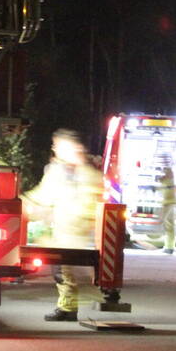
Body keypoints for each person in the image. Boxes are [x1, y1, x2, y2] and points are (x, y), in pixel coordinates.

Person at [21, 129, 103, 322]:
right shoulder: (59, 171)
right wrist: (22, 202)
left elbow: (88, 205)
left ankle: (69, 307)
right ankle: (67, 307)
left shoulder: (86, 175)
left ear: (74, 147)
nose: (55, 149)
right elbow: (42, 194)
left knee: (65, 272)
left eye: (58, 145)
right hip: (64, 232)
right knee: (62, 271)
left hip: (75, 234)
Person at [158, 166, 176, 255]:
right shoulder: (169, 181)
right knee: (169, 226)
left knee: (168, 225)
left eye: (165, 172)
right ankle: (169, 246)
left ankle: (169, 247)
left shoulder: (168, 181)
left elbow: (166, 193)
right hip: (170, 203)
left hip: (169, 204)